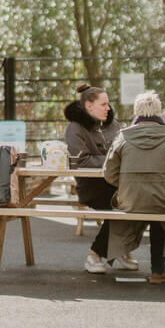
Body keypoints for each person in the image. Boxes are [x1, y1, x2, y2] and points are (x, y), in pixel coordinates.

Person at [103, 91, 165, 284]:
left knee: (143, 205)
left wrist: (130, 184)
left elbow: (109, 174)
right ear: (159, 111)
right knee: (160, 211)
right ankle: (158, 271)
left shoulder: (122, 137)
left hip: (131, 200)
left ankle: (102, 255)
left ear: (136, 111)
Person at [63, 83, 137, 274]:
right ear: (89, 106)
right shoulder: (75, 129)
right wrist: (114, 160)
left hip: (115, 182)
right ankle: (95, 254)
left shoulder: (114, 125)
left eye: (108, 104)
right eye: (104, 104)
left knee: (140, 198)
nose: (108, 108)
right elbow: (82, 160)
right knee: (125, 202)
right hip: (91, 185)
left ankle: (119, 248)